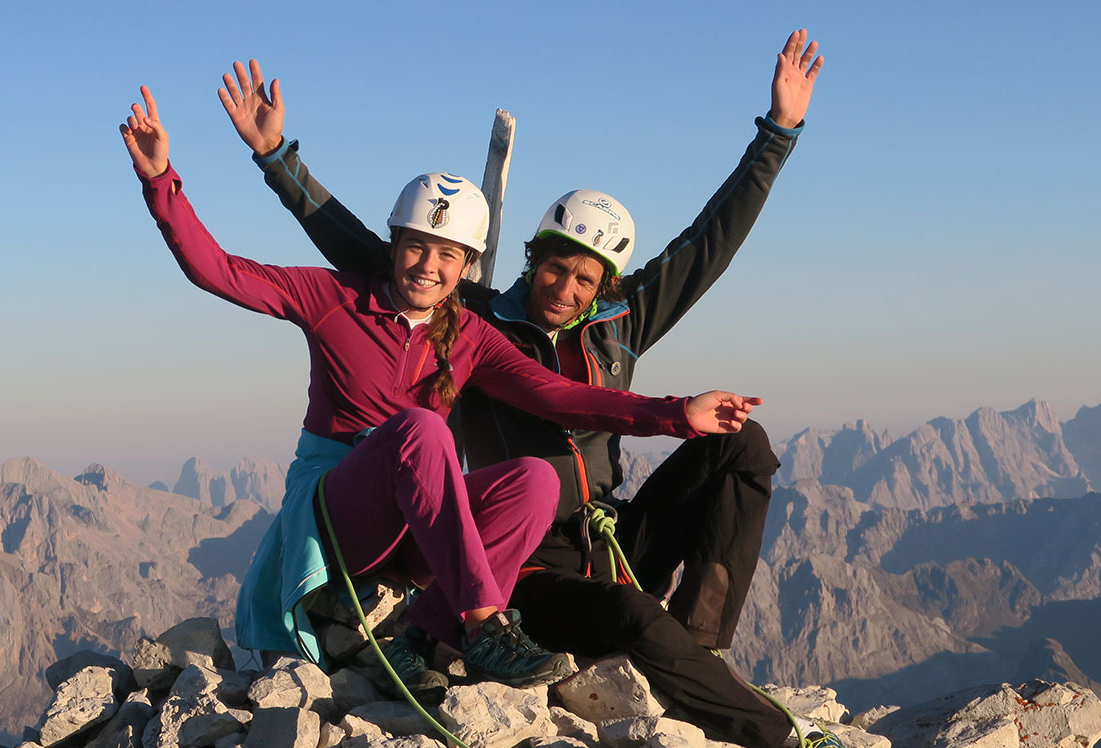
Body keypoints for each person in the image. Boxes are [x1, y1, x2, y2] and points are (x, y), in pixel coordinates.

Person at [214, 32, 871, 748]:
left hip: (614, 532)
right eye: (552, 266)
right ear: (531, 259)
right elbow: (368, 249)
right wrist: (278, 158)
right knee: (630, 619)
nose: (563, 286)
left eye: (582, 277)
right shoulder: (475, 321)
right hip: (529, 558)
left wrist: (778, 133)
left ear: (604, 286)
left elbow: (710, 243)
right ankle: (789, 744)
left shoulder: (624, 321)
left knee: (740, 447)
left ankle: (703, 646)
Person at [118, 85, 763, 700]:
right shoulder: (332, 298)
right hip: (340, 512)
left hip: (417, 527)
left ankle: (422, 635)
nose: (428, 266)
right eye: (417, 248)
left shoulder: (473, 336)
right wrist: (161, 182)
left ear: (467, 267)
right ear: (393, 247)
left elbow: (562, 399)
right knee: (422, 429)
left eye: (448, 255)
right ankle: (484, 627)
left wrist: (679, 414)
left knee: (535, 479)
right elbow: (216, 270)